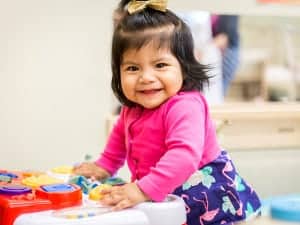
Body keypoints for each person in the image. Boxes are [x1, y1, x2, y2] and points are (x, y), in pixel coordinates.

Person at [74, 0, 261, 224]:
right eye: (133, 68)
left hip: (204, 197)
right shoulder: (132, 108)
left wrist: (142, 190)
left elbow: (183, 157)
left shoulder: (185, 106)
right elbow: (119, 139)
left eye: (160, 65)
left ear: (184, 66)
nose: (146, 77)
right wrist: (104, 166)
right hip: (161, 194)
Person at [212, 14, 240, 96]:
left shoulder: (228, 9)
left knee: (219, 92)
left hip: (228, 52)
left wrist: (204, 50)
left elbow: (224, 38)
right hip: (216, 51)